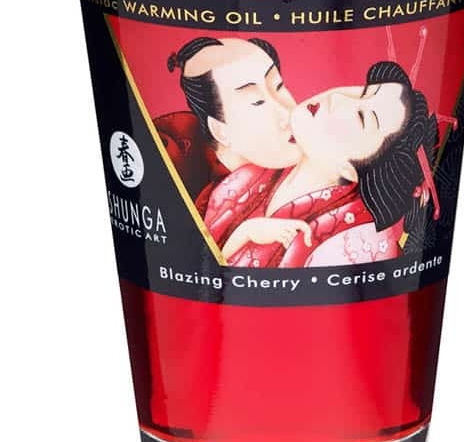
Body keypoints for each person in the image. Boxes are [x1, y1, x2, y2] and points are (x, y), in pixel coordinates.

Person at [203, 60, 440, 268]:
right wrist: (246, 232)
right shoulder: (254, 173)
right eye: (362, 91)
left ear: (353, 170)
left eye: (361, 117)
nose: (337, 97)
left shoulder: (353, 242)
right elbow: (201, 268)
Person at [165, 36, 300, 213]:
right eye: (257, 101)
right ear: (220, 131)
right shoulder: (209, 205)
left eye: (279, 86)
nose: (287, 114)